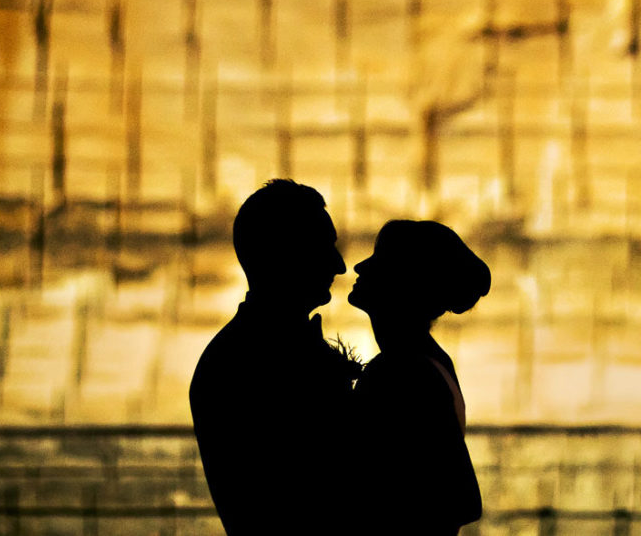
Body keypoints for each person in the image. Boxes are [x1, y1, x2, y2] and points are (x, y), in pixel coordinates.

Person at [189, 179, 356, 535]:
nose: (340, 266)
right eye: (325, 247)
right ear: (288, 254)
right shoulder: (254, 361)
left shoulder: (230, 357)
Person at [347, 219, 491, 536]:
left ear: (404, 281)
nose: (359, 266)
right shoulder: (428, 361)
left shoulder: (400, 372)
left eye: (378, 260)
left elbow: (463, 498)